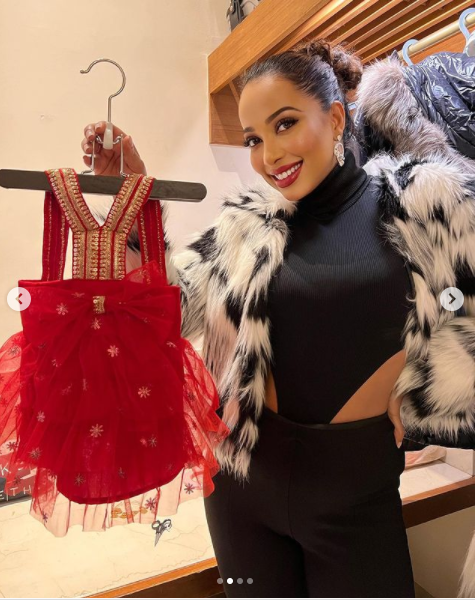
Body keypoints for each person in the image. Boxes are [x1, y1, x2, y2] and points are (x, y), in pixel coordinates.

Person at [81, 40, 416, 597]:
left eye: (285, 124)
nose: (269, 155)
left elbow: (459, 319)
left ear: (335, 118)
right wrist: (134, 203)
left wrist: (429, 392)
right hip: (239, 486)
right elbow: (166, 310)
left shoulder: (419, 211)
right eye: (254, 139)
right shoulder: (243, 225)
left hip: (355, 494)